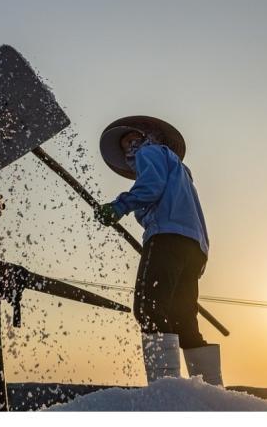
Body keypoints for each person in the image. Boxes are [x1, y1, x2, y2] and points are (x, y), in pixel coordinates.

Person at [94, 115, 223, 386]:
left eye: (132, 140)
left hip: (167, 239)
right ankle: (210, 392)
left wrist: (120, 206)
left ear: (146, 138)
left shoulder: (149, 153)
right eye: (126, 143)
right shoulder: (179, 169)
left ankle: (167, 390)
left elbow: (151, 187)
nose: (130, 147)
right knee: (183, 320)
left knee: (148, 307)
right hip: (193, 247)